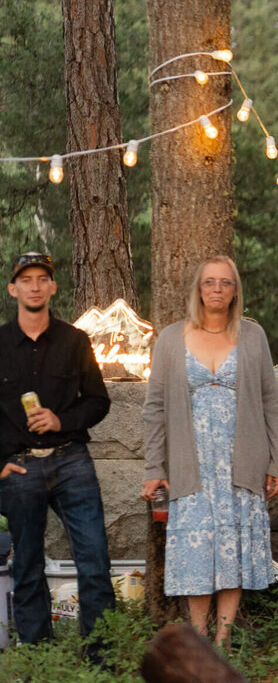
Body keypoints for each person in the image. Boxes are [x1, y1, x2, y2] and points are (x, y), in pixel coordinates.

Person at [141, 256, 278, 646]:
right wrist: (154, 465)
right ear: (198, 290)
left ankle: (223, 639)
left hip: (244, 461)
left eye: (225, 282)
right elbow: (154, 407)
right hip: (191, 465)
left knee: (233, 549)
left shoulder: (253, 336)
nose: (217, 289)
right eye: (209, 282)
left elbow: (271, 401)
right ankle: (199, 637)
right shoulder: (171, 338)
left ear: (236, 290)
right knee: (196, 551)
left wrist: (275, 461)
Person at [0, 251, 115, 651]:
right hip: (20, 467)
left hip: (72, 461)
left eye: (41, 279)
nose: (34, 285)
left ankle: (101, 655)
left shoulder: (75, 340)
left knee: (95, 560)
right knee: (27, 563)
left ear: (52, 286)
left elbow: (98, 401)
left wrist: (61, 420)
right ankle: (37, 657)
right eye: (26, 279)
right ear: (13, 288)